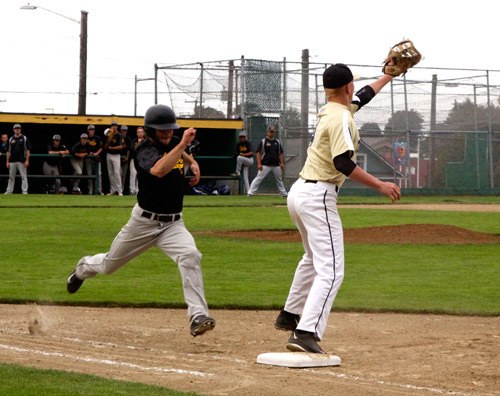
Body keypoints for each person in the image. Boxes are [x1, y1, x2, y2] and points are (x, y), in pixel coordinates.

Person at [274, 63, 401, 354]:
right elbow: (342, 163)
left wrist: (389, 76)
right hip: (318, 195)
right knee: (331, 270)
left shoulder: (331, 109)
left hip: (299, 192)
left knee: (311, 258)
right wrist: (380, 185)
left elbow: (364, 96)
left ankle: (290, 314)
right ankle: (306, 332)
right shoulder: (341, 119)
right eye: (353, 85)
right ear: (347, 88)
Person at [66, 104, 215, 337]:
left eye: (170, 129)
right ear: (150, 130)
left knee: (190, 255)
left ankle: (198, 316)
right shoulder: (143, 148)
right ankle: (83, 268)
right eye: (162, 130)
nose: (167, 133)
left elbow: (179, 151)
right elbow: (158, 169)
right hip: (143, 223)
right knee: (108, 266)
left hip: (173, 224)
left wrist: (191, 161)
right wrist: (183, 145)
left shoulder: (172, 141)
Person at [247, 125, 287, 197]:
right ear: (267, 132)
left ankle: (284, 194)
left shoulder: (277, 142)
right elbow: (258, 153)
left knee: (279, 179)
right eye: (270, 132)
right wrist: (259, 164)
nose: (272, 133)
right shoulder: (263, 141)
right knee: (258, 178)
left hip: (276, 165)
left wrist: (282, 163)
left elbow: (280, 153)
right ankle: (250, 192)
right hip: (265, 164)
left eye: (273, 132)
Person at [4, 124, 31, 195]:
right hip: (12, 161)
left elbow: (28, 150)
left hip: (22, 160)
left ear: (20, 129)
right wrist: (7, 161)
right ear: (13, 130)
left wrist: (27, 160)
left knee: (24, 177)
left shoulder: (24, 138)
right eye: (16, 128)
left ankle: (24, 191)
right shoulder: (11, 139)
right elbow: (8, 151)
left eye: (18, 128)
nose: (17, 130)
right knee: (11, 177)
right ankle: (9, 191)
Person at [104, 121, 124, 195]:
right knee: (110, 173)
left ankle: (119, 191)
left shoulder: (119, 135)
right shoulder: (108, 134)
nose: (114, 127)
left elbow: (121, 146)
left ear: (117, 127)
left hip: (116, 155)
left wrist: (112, 148)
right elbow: (105, 147)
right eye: (113, 126)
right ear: (111, 127)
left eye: (115, 126)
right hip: (109, 155)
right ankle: (113, 190)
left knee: (117, 173)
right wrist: (109, 138)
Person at [85, 124, 103, 195]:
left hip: (96, 158)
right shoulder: (85, 138)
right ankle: (90, 190)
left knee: (98, 174)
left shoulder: (97, 138)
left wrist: (96, 153)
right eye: (90, 130)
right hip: (88, 158)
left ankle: (99, 190)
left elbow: (101, 148)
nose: (91, 131)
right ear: (88, 130)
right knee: (89, 174)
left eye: (92, 130)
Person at [128, 126, 145, 195]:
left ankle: (138, 190)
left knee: (140, 175)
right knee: (133, 174)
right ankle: (132, 190)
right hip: (134, 159)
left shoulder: (146, 141)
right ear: (136, 133)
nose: (140, 133)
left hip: (143, 160)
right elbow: (132, 149)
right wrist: (139, 143)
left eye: (141, 132)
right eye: (139, 132)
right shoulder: (134, 141)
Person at [119, 125, 133, 193]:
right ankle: (118, 189)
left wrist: (127, 158)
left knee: (123, 175)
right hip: (118, 156)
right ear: (121, 130)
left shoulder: (128, 139)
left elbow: (129, 150)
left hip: (125, 156)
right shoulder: (118, 137)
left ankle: (122, 189)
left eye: (125, 130)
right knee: (118, 174)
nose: (124, 132)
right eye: (123, 130)